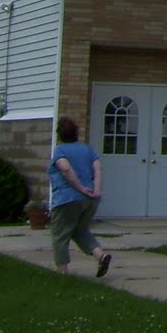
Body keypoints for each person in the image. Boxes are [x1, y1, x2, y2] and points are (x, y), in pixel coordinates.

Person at [48, 116, 112, 277]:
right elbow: (98, 169)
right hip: (90, 200)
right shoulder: (87, 150)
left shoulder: (60, 151)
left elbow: (66, 169)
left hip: (67, 199)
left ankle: (62, 272)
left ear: (59, 134)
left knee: (60, 235)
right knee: (79, 230)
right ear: (76, 133)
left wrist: (80, 188)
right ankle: (101, 256)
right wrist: (96, 190)